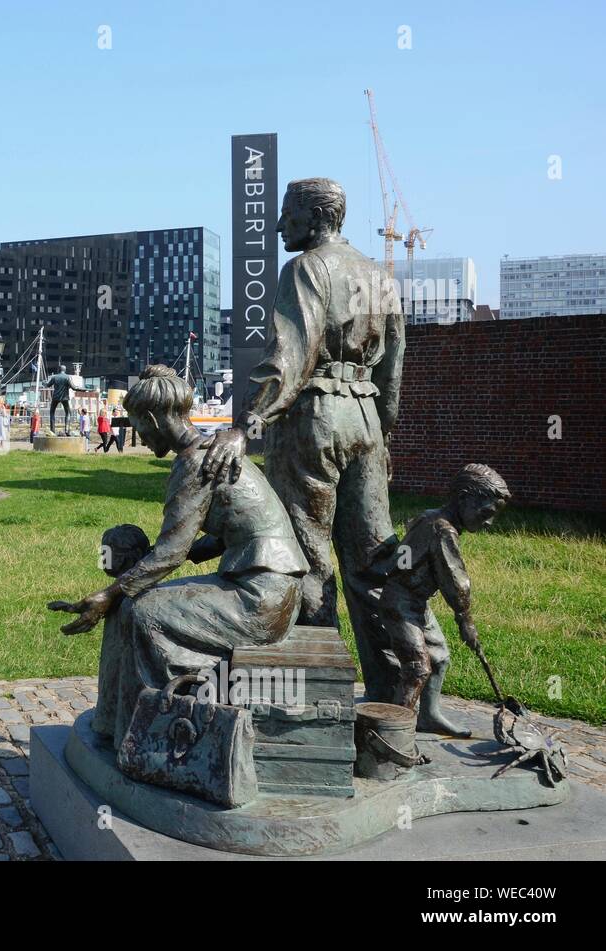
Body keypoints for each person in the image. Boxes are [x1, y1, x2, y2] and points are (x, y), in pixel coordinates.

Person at [199, 177, 406, 703]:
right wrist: (381, 440)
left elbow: (289, 356)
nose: (276, 225)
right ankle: (393, 697)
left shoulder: (305, 269)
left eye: (286, 215)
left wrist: (246, 425)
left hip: (315, 417)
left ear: (314, 218)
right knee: (375, 561)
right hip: (365, 421)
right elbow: (394, 371)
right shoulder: (380, 277)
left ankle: (318, 696)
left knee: (307, 554)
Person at [49, 365, 308, 747]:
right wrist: (141, 575)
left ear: (152, 418)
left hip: (262, 598)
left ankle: (155, 734)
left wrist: (109, 594)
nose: (137, 433)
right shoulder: (208, 451)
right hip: (263, 583)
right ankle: (114, 724)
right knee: (130, 605)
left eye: (138, 425)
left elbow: (172, 551)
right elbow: (222, 535)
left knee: (142, 613)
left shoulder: (194, 461)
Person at [361, 464, 510, 736]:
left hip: (416, 603)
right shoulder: (442, 531)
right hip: (400, 604)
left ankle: (428, 716)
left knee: (439, 657)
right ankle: (394, 734)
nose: (489, 522)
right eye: (486, 513)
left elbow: (406, 556)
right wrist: (465, 620)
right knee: (418, 668)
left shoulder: (430, 517)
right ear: (464, 498)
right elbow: (455, 580)